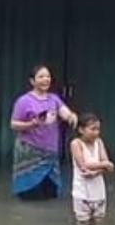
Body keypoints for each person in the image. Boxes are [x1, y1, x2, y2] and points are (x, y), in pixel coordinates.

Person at [10, 65, 78, 200]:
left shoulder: (54, 99)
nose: (45, 79)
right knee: (30, 194)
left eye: (47, 76)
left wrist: (71, 116)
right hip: (30, 151)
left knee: (50, 194)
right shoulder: (24, 101)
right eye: (41, 77)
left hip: (50, 153)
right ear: (32, 81)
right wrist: (31, 124)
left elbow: (64, 112)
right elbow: (14, 124)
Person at [70, 113, 114, 223]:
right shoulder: (76, 143)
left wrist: (96, 172)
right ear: (81, 130)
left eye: (98, 129)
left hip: (99, 193)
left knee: (99, 224)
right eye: (92, 129)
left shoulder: (99, 142)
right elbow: (83, 165)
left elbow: (106, 164)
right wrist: (105, 165)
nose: (96, 133)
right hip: (82, 193)